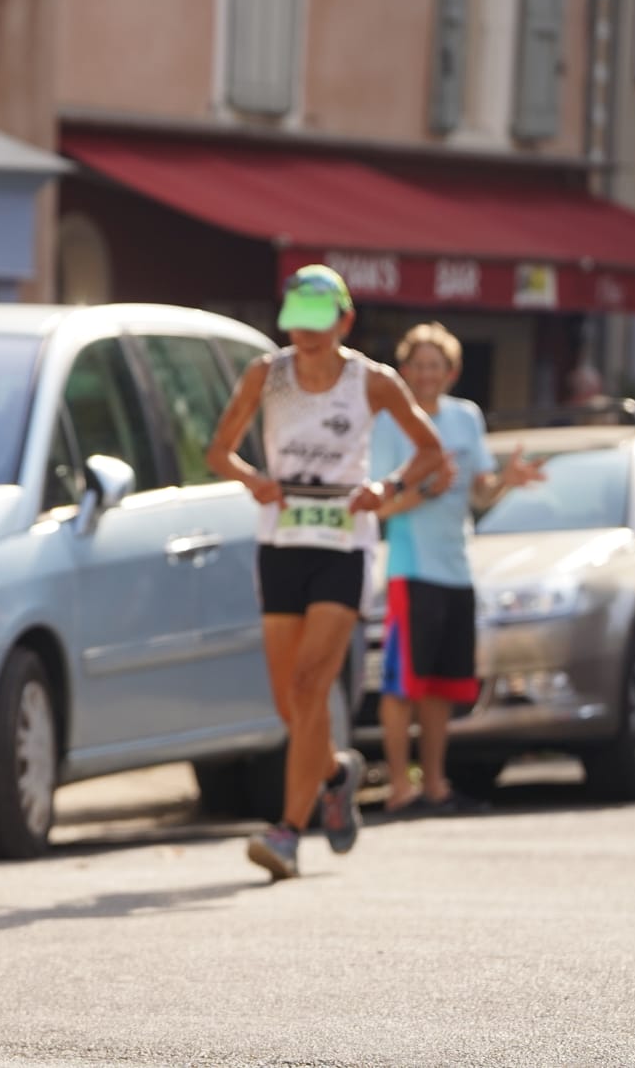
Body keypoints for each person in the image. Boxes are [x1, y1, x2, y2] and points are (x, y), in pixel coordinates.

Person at [205, 265, 448, 880]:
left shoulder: (374, 382)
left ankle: (287, 834)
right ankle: (337, 775)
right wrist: (252, 479)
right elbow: (218, 452)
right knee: (292, 703)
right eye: (299, 328)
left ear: (345, 321)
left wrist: (385, 487)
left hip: (343, 545)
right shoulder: (268, 374)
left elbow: (430, 451)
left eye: (319, 328)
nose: (307, 340)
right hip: (281, 542)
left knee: (313, 685)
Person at [369, 324, 544, 815]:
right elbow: (376, 507)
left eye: (435, 366)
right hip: (411, 567)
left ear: (452, 372)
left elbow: (478, 492)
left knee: (442, 686)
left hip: (456, 569)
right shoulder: (389, 423)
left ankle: (436, 787)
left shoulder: (467, 419)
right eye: (418, 365)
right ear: (405, 371)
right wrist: (424, 488)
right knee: (403, 684)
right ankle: (400, 788)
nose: (426, 375)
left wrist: (507, 481)